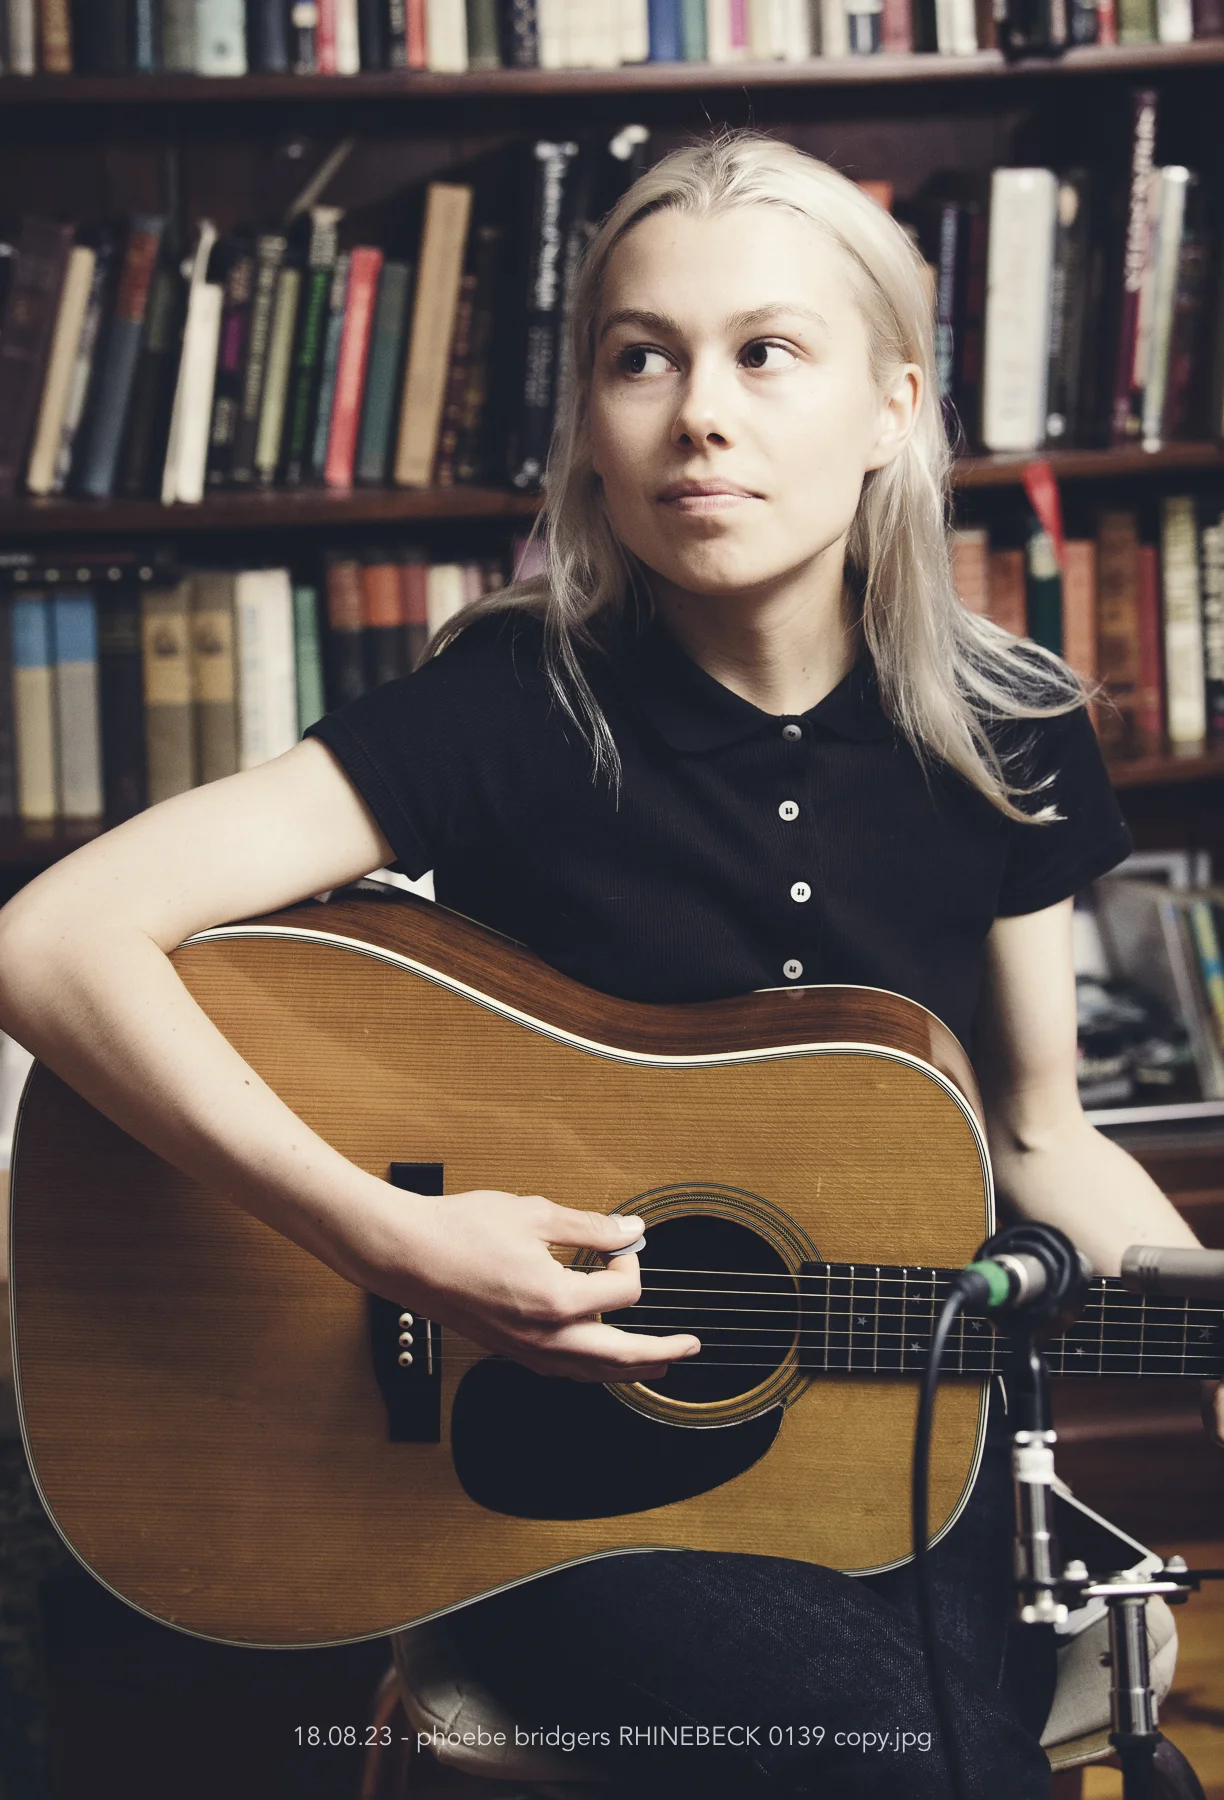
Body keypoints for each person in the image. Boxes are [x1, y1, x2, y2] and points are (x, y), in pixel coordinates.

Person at [0, 132, 1218, 1799]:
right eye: (641, 357)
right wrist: (400, 1240)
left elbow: (1039, 1136)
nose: (697, 412)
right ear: (590, 411)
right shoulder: (508, 709)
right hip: (529, 1508)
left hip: (901, 1456)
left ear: (893, 409)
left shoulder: (1014, 731)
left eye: (765, 352)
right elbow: (50, 936)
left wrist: (1207, 1332)